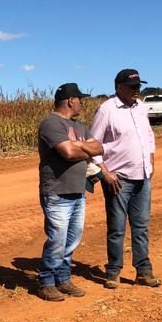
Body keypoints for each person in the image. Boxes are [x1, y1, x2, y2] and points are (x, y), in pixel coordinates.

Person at [89, 69, 160, 290]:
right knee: (117, 227)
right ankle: (113, 271)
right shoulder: (107, 109)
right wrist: (104, 172)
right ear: (118, 87)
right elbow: (93, 143)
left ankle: (143, 271)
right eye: (132, 87)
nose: (137, 90)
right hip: (118, 178)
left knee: (141, 226)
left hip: (143, 176)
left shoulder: (140, 107)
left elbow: (148, 136)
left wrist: (150, 159)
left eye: (138, 86)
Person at [36, 83, 104, 301]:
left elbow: (99, 148)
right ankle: (46, 281)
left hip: (77, 190)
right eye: (80, 99)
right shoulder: (51, 123)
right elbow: (67, 152)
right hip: (56, 191)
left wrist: (79, 146)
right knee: (57, 238)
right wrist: (83, 147)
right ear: (70, 100)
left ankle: (63, 278)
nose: (82, 103)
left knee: (72, 238)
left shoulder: (80, 126)